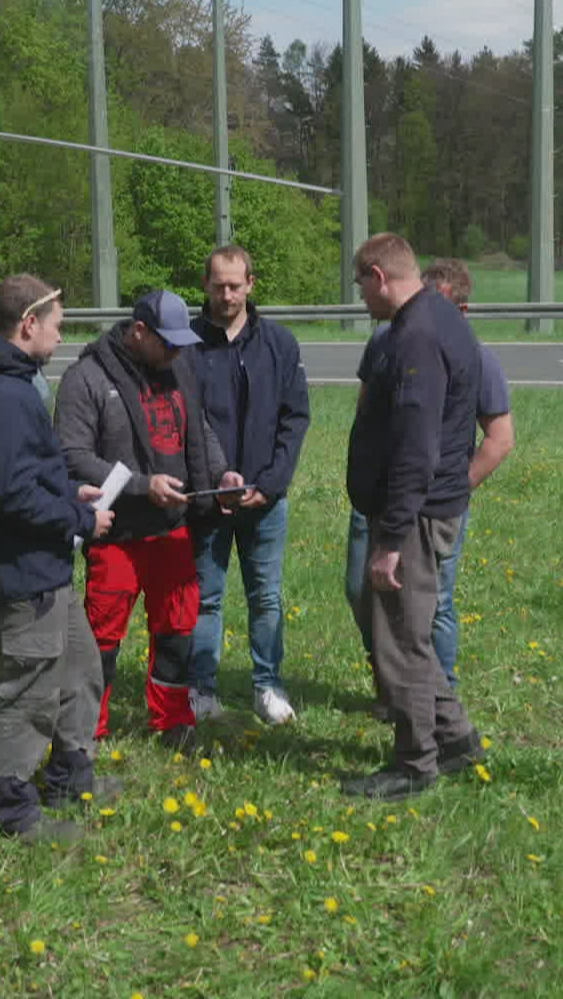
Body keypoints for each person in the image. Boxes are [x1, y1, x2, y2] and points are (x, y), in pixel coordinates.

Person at [0, 274, 115, 841]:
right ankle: (14, 810)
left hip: (46, 568)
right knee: (25, 690)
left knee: (78, 669)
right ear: (28, 325)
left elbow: (25, 475)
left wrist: (70, 493)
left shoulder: (14, 384)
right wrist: (81, 520)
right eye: (57, 326)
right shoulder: (2, 395)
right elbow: (11, 494)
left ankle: (72, 774)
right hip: (24, 572)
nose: (60, 336)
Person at [55, 288, 243, 750]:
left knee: (178, 630)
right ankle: (89, 731)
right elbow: (71, 454)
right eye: (168, 342)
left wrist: (222, 473)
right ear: (139, 332)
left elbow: (199, 431)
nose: (177, 351)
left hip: (172, 530)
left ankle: (172, 722)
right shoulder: (87, 378)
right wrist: (143, 484)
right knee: (102, 637)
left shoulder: (178, 369)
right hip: (116, 532)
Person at [343, 234, 483, 800]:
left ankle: (414, 761)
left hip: (417, 516)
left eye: (361, 284)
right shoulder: (440, 319)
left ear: (379, 275)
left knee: (398, 637)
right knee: (412, 633)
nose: (361, 297)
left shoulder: (417, 337)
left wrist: (391, 539)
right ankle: (456, 739)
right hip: (429, 508)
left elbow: (417, 449)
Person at [345, 259, 514, 694]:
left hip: (432, 507)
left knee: (431, 604)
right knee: (361, 590)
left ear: (461, 312)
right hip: (380, 498)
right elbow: (366, 414)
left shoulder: (476, 356)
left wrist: (448, 490)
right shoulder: (385, 341)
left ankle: (441, 698)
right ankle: (392, 686)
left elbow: (499, 439)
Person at [187, 246, 312, 725]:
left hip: (265, 499)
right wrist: (211, 481)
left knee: (266, 596)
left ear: (251, 285)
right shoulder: (188, 344)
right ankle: (201, 690)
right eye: (218, 285)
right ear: (206, 285)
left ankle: (267, 685)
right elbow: (186, 422)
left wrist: (274, 483)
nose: (226, 294)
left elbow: (294, 418)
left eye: (235, 285)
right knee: (206, 598)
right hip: (208, 499)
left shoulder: (280, 344)